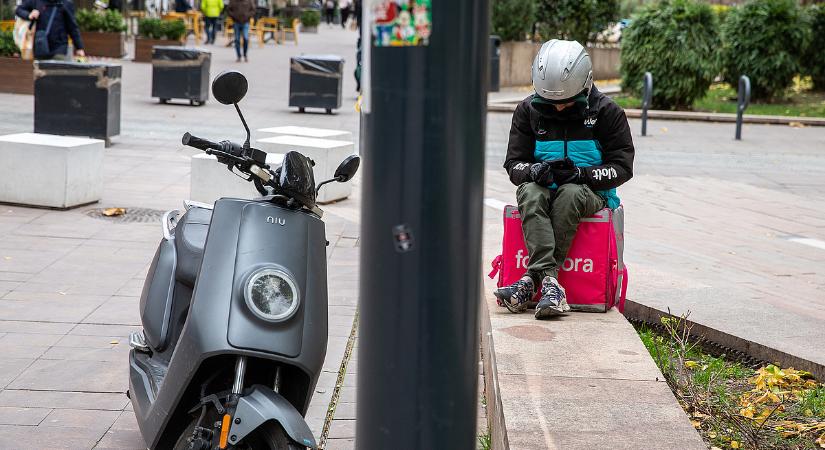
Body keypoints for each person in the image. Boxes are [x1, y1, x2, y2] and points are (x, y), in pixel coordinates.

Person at [496, 40, 634, 320]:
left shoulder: (607, 112)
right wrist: (533, 171)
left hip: (591, 192)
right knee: (530, 192)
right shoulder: (527, 110)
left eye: (565, 102)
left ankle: (531, 280)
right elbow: (514, 165)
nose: (558, 108)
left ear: (584, 85)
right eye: (550, 103)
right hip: (544, 187)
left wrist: (582, 174)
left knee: (570, 193)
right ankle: (550, 284)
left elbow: (622, 167)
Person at [16, 0, 85, 60]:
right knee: (41, 70)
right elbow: (19, 10)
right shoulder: (36, 1)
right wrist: (29, 15)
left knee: (56, 69)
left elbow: (72, 27)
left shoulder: (66, 3)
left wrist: (79, 48)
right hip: (40, 46)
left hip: (59, 48)